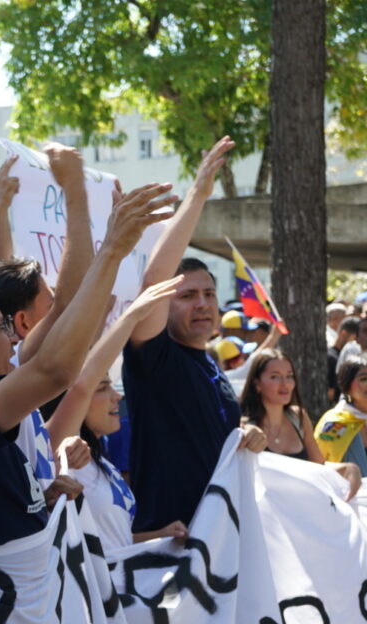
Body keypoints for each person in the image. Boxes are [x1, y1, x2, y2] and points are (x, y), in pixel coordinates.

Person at [0, 180, 174, 549]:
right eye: (1, 326)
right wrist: (111, 251)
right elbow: (56, 370)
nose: (14, 337)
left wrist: (39, 496)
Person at [123, 136, 268, 534]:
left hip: (222, 534)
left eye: (208, 294)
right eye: (186, 296)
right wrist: (198, 196)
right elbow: (153, 282)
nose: (202, 304)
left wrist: (245, 436)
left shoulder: (210, 363)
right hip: (172, 541)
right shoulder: (154, 358)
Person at [43, 279, 184, 552]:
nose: (117, 396)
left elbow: (112, 545)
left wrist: (160, 536)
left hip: (117, 592)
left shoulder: (100, 459)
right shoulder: (60, 451)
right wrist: (130, 317)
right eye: (104, 387)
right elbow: (82, 383)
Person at [239, 348, 363, 496]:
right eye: (275, 377)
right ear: (257, 384)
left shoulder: (299, 418)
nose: (285, 384)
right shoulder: (245, 428)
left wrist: (347, 468)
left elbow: (319, 467)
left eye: (289, 376)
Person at [329, 316, 360, 401]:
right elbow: (331, 392)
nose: (357, 343)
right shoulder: (331, 358)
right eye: (354, 339)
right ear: (344, 334)